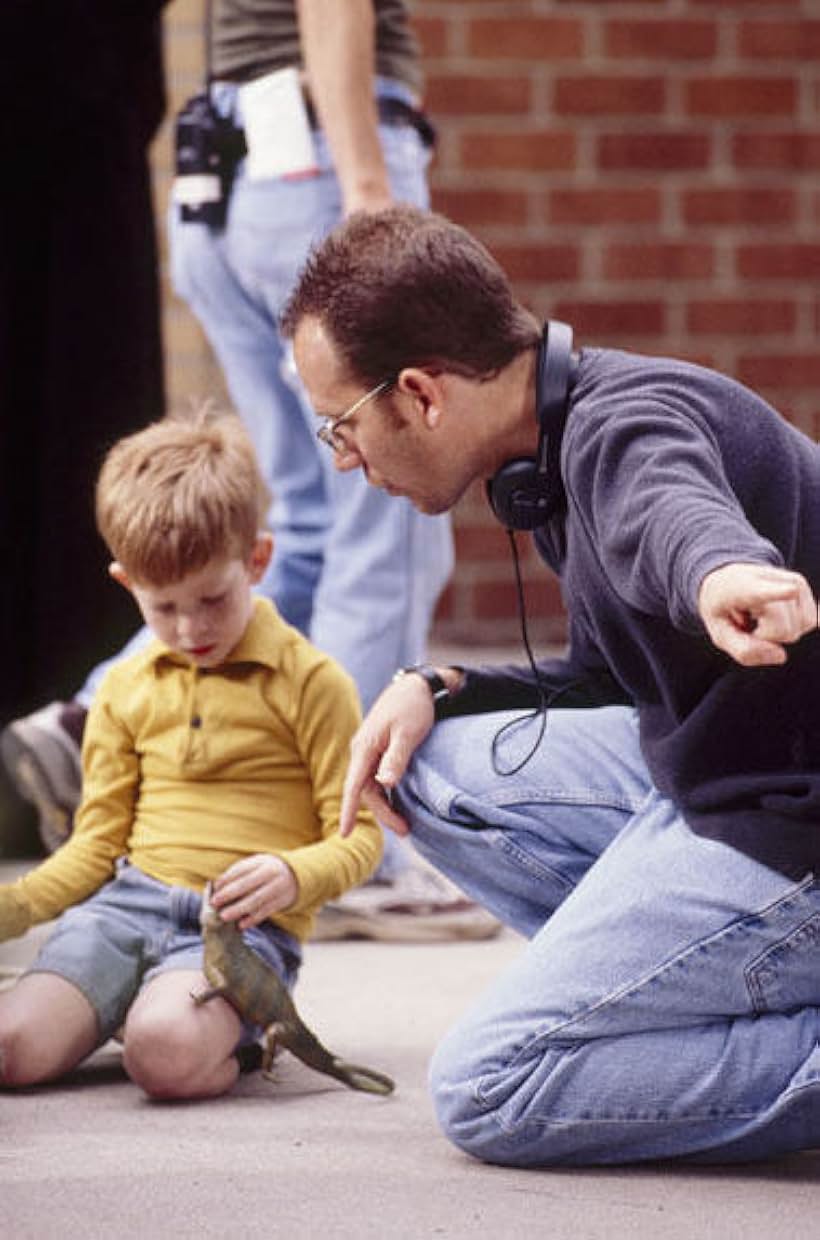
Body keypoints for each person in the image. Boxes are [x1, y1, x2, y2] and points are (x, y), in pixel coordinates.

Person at [278, 203, 820, 1166]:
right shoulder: (551, 448)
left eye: (341, 426)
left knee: (491, 1083)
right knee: (427, 760)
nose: (345, 459)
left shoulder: (625, 429)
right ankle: (682, 986)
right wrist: (440, 684)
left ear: (421, 394)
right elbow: (608, 681)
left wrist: (720, 574)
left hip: (788, 818)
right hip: (732, 772)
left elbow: (672, 512)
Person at [0, 0, 472, 941]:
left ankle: (91, 715)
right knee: (389, 515)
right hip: (319, 161)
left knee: (307, 517)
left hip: (225, 181)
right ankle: (353, 827)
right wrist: (369, 187)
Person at [0, 412, 383, 1098]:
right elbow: (96, 846)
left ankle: (200, 1021)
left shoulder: (314, 682)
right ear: (127, 584)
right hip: (122, 911)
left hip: (236, 930)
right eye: (163, 607)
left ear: (257, 561)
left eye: (213, 598)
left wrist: (294, 875)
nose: (190, 627)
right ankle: (131, 999)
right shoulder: (122, 689)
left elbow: (359, 837)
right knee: (12, 1050)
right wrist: (18, 905)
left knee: (162, 1056)